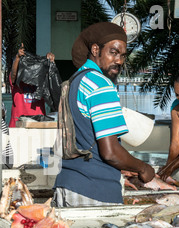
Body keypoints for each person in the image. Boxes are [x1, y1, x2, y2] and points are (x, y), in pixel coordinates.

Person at [52, 22, 155, 207]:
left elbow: (86, 141)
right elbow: (110, 152)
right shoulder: (101, 85)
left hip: (67, 184)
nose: (119, 61)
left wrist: (125, 167)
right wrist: (143, 168)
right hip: (94, 191)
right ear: (95, 49)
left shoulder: (76, 80)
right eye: (113, 52)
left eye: (123, 55)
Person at [8, 43, 55, 128]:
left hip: (38, 127)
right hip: (18, 127)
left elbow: (52, 83)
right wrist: (18, 58)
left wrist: (50, 63)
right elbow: (14, 75)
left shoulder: (42, 81)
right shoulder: (17, 81)